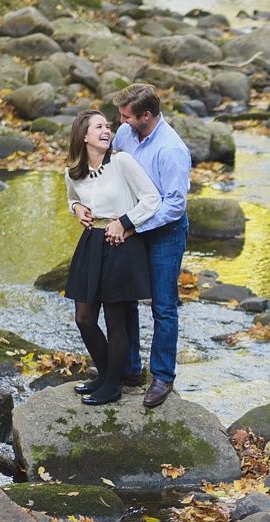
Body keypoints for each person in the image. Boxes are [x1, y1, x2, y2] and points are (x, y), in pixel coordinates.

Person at [63, 109, 160, 406]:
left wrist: (127, 222)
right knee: (84, 318)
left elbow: (152, 199)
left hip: (120, 242)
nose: (107, 130)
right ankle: (106, 376)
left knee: (115, 321)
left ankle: (112, 386)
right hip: (91, 244)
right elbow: (72, 198)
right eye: (99, 127)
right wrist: (77, 209)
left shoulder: (121, 162)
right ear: (84, 136)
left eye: (108, 126)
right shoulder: (73, 170)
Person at [110, 84, 192, 409]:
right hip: (130, 224)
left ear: (147, 115)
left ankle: (162, 376)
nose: (121, 121)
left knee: (163, 305)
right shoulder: (125, 134)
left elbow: (175, 206)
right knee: (124, 297)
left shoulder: (171, 150)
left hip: (165, 233)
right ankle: (130, 369)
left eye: (127, 115)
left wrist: (132, 225)